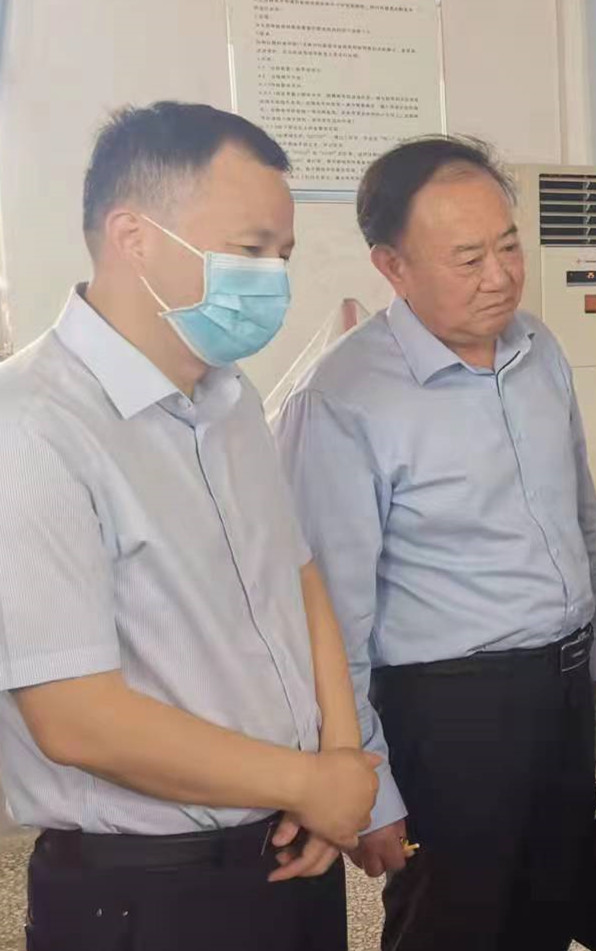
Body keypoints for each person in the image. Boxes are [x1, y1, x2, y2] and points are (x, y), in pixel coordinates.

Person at [0, 101, 379, 950]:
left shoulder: (230, 398)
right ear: (133, 236)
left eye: (282, 255)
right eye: (251, 250)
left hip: (287, 843)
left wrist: (337, 760)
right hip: (147, 889)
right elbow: (77, 717)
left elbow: (296, 575)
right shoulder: (29, 427)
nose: (274, 278)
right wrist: (308, 781)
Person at [271, 136, 596, 950]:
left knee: (547, 906)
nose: (499, 276)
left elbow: (580, 512)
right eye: (468, 258)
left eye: (509, 246)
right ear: (391, 266)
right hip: (447, 714)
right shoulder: (344, 399)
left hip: (562, 689)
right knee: (453, 923)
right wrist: (369, 778)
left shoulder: (538, 349)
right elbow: (328, 614)